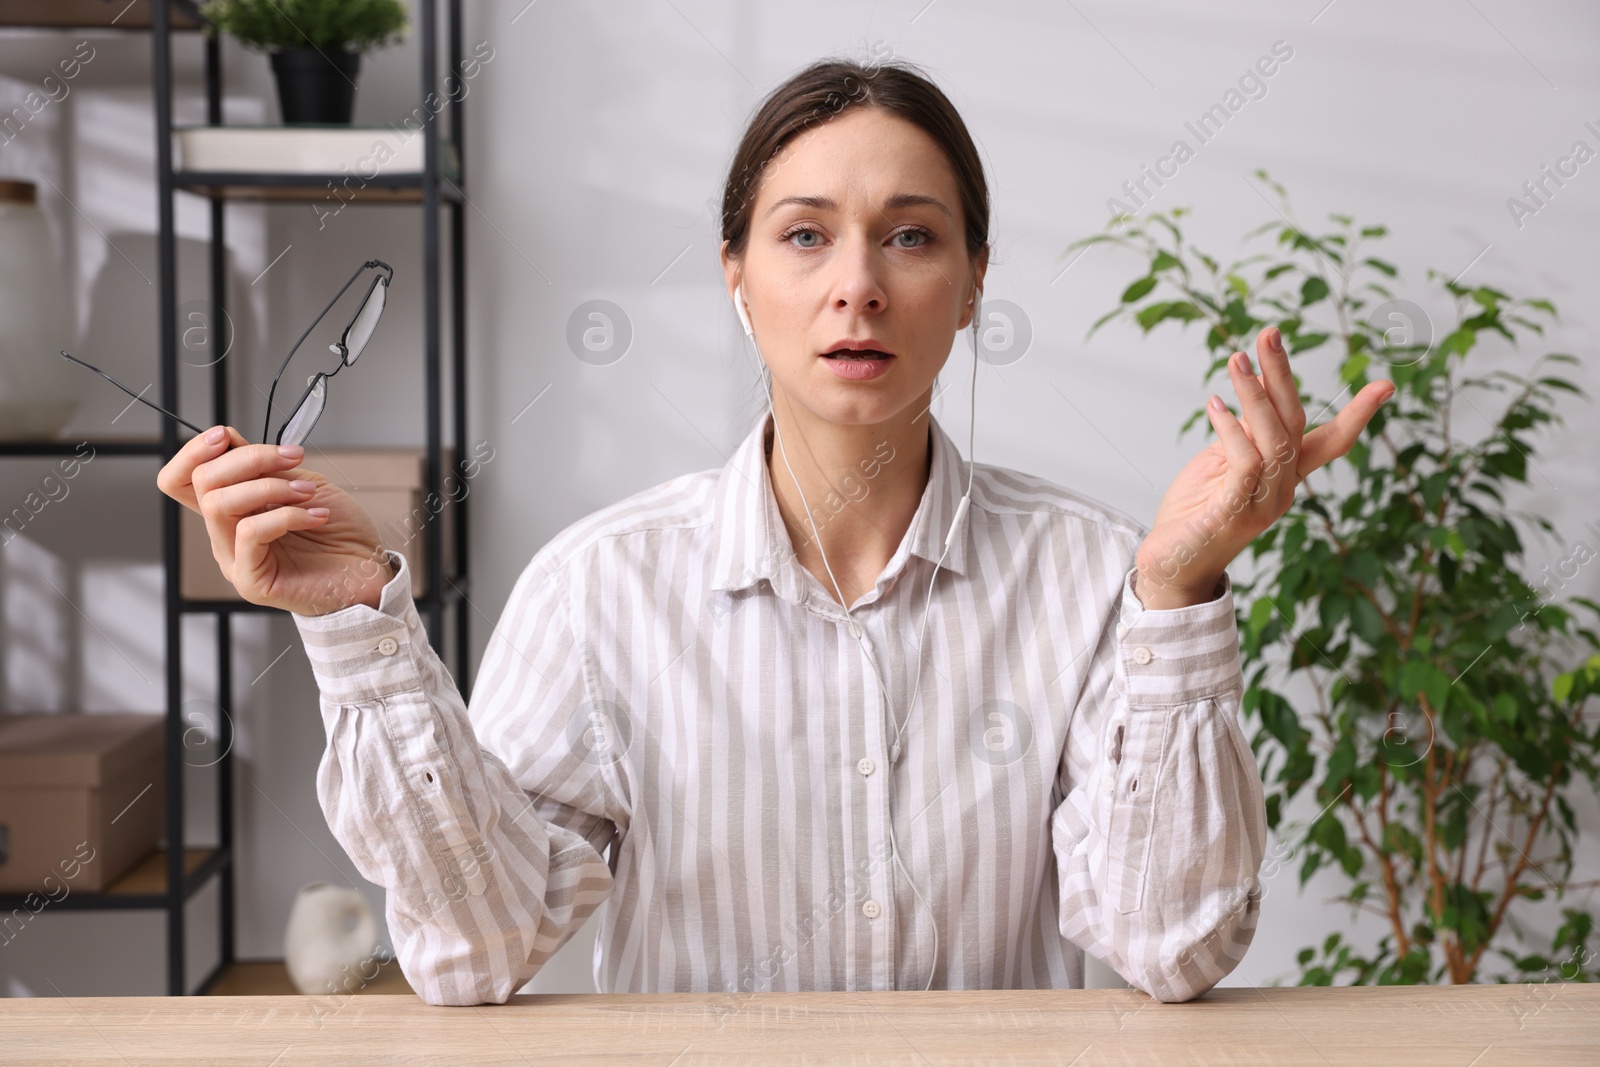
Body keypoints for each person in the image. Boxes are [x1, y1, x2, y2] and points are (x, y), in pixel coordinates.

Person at [157, 57, 1394, 1007]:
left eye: (911, 235)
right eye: (805, 234)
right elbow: (478, 949)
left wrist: (1180, 593)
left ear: (969, 283)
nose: (857, 281)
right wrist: (356, 625)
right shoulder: (601, 589)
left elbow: (1170, 946)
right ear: (738, 276)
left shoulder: (1087, 575)